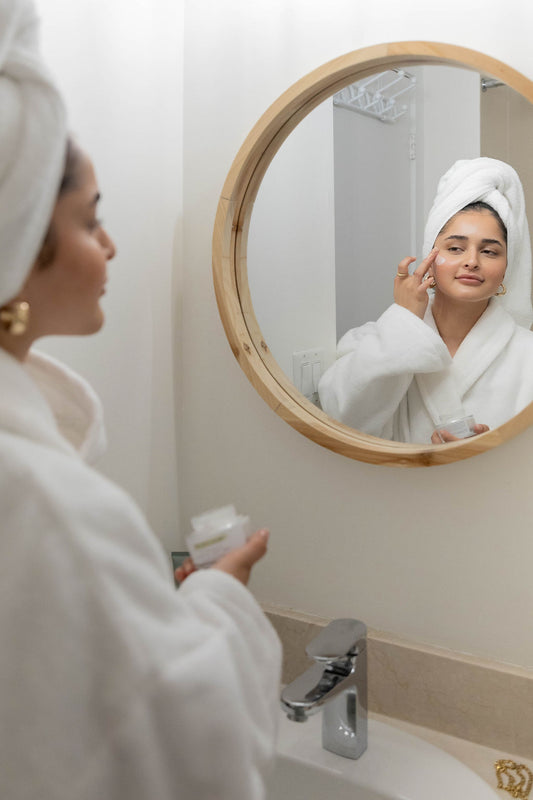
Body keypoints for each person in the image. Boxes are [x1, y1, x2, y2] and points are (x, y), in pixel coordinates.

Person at [0, 3, 281, 799]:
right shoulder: (43, 507)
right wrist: (218, 598)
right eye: (91, 221)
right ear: (21, 247)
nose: (113, 246)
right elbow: (195, 758)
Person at [318, 157, 533, 444]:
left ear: (508, 266)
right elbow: (343, 424)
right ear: (429, 257)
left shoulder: (527, 355)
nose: (471, 261)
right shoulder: (369, 342)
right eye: (455, 248)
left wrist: (490, 455)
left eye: (490, 252)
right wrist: (405, 319)